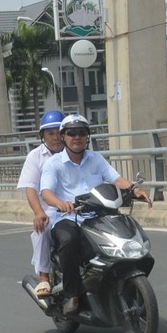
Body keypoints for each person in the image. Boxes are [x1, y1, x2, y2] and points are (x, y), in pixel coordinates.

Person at [39, 115, 149, 317]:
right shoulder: (54, 163)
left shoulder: (96, 159)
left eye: (82, 133)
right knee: (68, 240)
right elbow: (46, 192)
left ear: (87, 137)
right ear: (63, 137)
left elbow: (116, 179)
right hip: (68, 218)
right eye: (71, 133)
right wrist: (60, 203)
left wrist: (135, 190)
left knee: (121, 238)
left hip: (98, 216)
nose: (77, 137)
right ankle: (73, 294)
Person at [17, 110, 69, 298]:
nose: (56, 138)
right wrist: (39, 212)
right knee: (42, 228)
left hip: (76, 208)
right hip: (51, 210)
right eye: (50, 133)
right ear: (43, 136)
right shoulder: (35, 157)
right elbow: (30, 188)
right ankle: (44, 277)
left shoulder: (75, 152)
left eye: (59, 132)